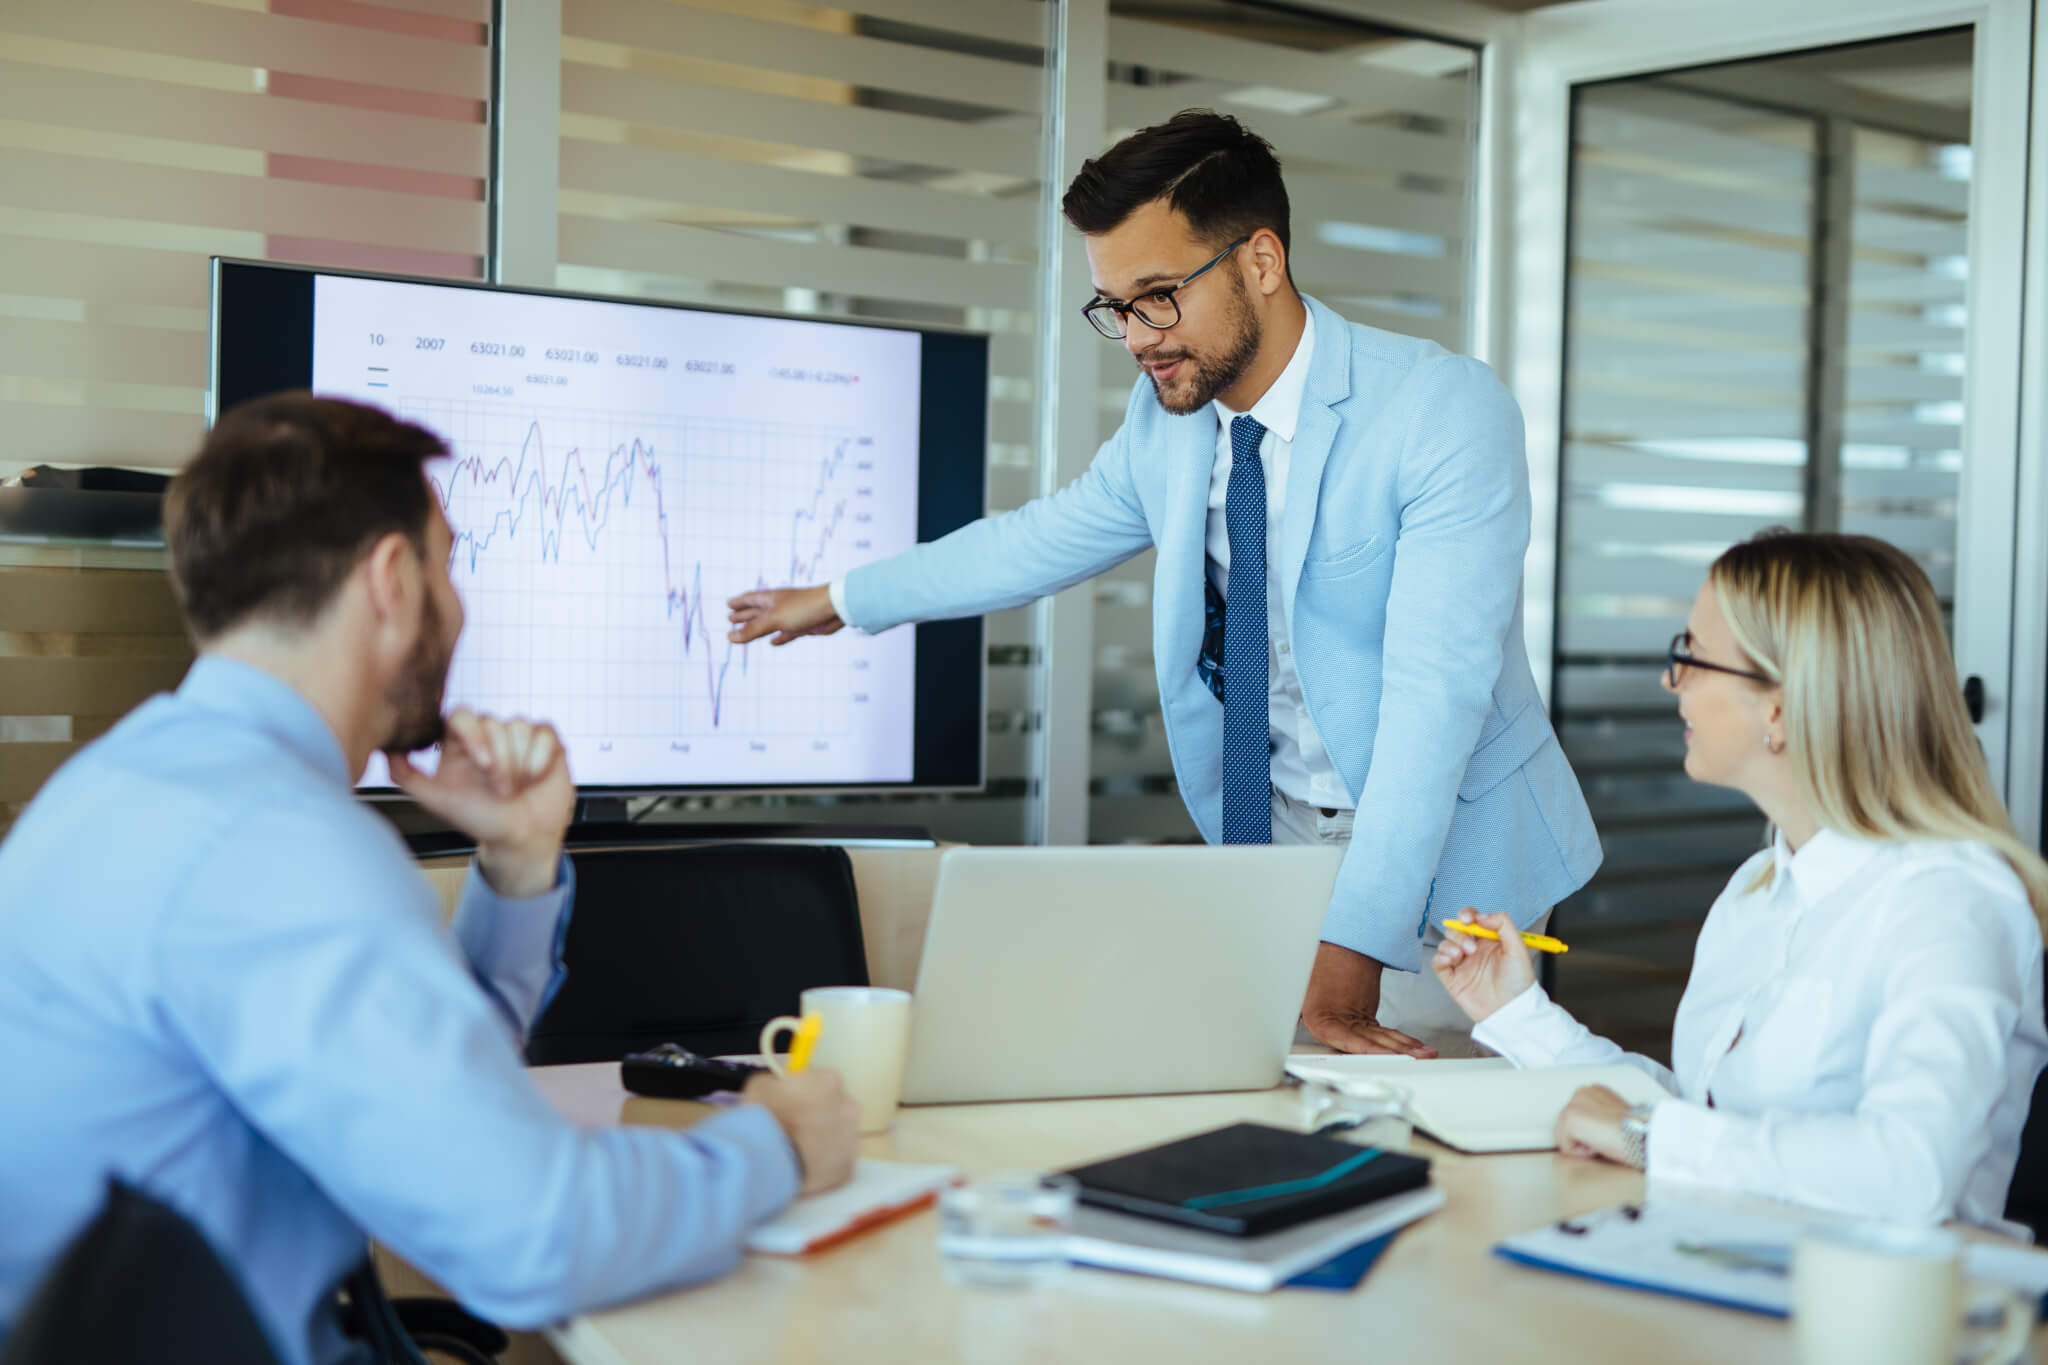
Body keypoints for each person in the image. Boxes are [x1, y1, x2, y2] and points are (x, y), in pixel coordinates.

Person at [0, 394, 860, 1365]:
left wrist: (519, 862)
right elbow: (536, 1236)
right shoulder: (277, 845)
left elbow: (442, 1104)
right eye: (450, 562)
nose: (458, 602)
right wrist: (774, 1147)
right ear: (392, 580)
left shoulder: (135, 782)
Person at [727, 110, 1601, 1058]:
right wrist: (842, 599)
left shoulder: (1441, 412)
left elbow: (1436, 701)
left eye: (1157, 296)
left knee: (1428, 1124)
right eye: (1114, 306)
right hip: (1276, 839)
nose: (1137, 338)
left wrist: (1353, 941)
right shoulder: (1168, 422)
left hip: (1451, 852)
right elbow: (1037, 539)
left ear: (1260, 261)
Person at [1434, 530, 2048, 1227]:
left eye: (1690, 655)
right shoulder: (1759, 887)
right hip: (1730, 1264)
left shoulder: (1950, 900)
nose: (1672, 680)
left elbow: (1911, 1170)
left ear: (1779, 708)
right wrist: (1516, 1012)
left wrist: (1650, 1138)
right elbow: (1702, 1119)